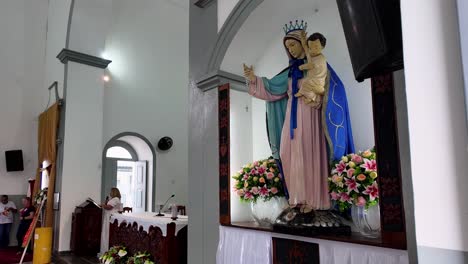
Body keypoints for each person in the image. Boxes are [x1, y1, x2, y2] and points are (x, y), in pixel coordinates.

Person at [243, 21, 355, 210]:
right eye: (288, 47)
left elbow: (335, 90)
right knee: (289, 154)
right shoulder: (289, 72)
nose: (291, 50)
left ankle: (316, 202)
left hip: (312, 118)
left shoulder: (318, 66)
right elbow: (271, 88)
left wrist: (320, 100)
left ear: (303, 44)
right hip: (291, 122)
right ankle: (297, 199)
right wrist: (254, 79)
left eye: (293, 45)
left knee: (311, 155)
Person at [295, 32, 328, 108]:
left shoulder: (320, 59)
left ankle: (311, 97)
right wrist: (304, 43)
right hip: (313, 80)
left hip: (318, 81)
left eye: (316, 47)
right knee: (305, 83)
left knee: (306, 82)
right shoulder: (314, 55)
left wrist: (301, 67)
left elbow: (310, 65)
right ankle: (305, 94)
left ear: (322, 47)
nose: (312, 50)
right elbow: (307, 51)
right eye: (310, 47)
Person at [100, 187, 122, 255]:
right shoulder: (117, 199)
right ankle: (105, 249)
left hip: (110, 217)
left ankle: (106, 250)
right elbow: (120, 210)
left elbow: (109, 207)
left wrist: (103, 205)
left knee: (107, 232)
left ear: (114, 192)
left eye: (111, 192)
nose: (110, 193)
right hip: (111, 216)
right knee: (106, 232)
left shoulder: (115, 199)